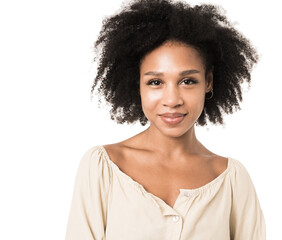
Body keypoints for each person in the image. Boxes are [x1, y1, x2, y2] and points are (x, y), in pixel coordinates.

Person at [65, 0, 265, 239]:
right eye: (155, 82)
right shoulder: (103, 168)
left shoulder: (231, 180)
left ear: (208, 81)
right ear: (136, 83)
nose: (172, 100)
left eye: (187, 81)